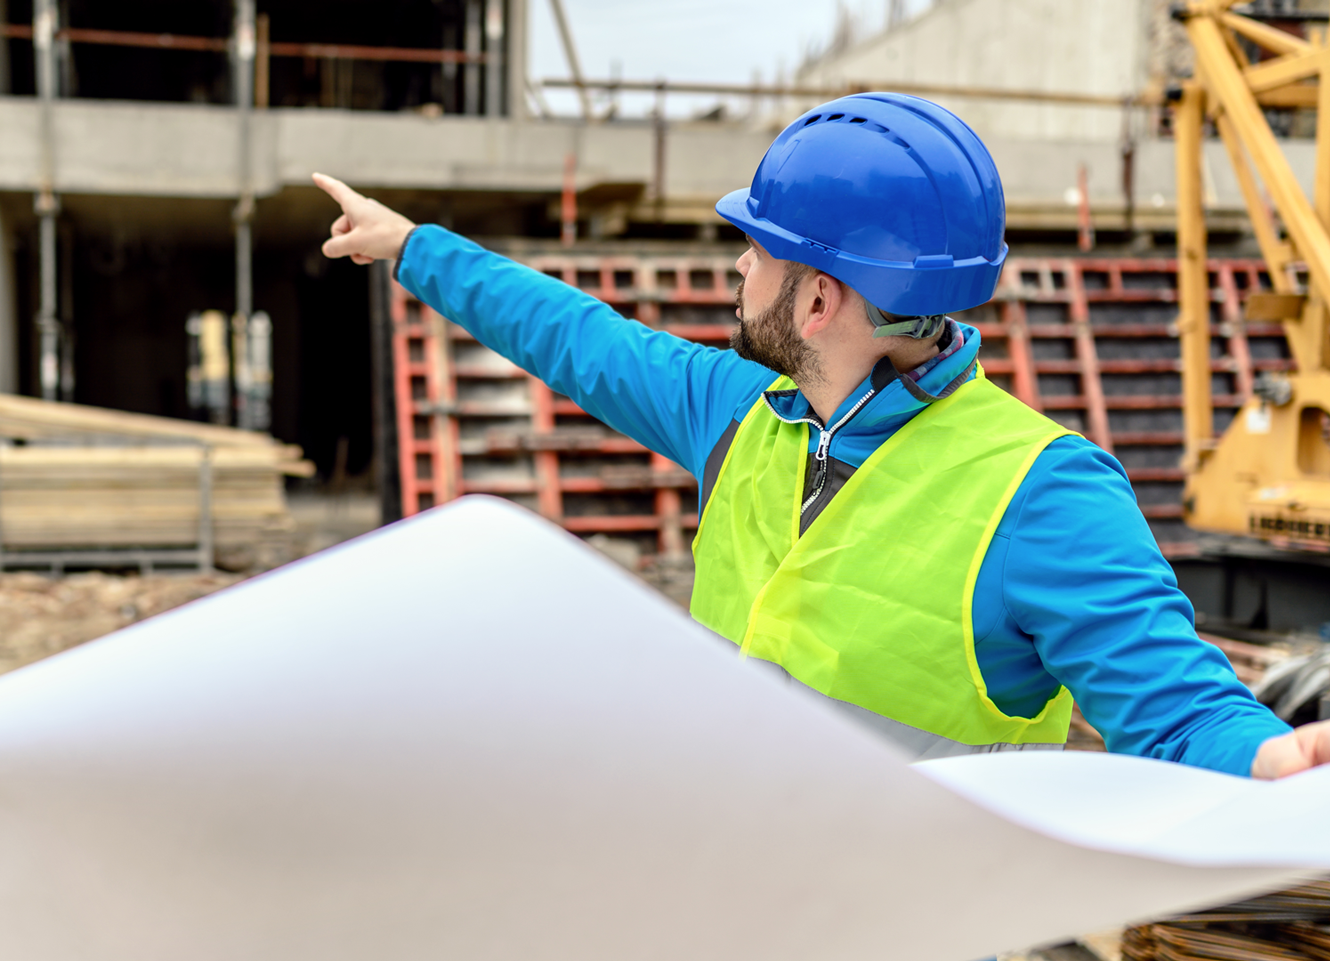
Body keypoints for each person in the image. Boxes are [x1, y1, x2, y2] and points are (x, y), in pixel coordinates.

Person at [313, 92, 1330, 780]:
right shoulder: (742, 413)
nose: (737, 273)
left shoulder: (1043, 494)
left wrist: (1263, 758)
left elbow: (1179, 705)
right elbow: (580, 339)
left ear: (816, 302)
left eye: (755, 253)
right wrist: (411, 248)